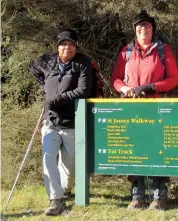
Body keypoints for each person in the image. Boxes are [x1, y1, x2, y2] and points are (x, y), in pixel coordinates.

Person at [110, 10, 178, 210]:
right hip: (132, 108)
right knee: (134, 148)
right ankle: (137, 194)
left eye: (147, 25)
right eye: (139, 26)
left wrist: (151, 87)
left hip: (157, 107)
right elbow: (115, 78)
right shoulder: (127, 51)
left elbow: (174, 79)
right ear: (135, 30)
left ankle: (159, 195)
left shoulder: (163, 50)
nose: (143, 29)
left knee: (158, 149)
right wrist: (124, 88)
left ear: (153, 29)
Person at [30, 28, 93, 216]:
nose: (67, 48)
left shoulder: (82, 63)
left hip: (72, 121)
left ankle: (65, 190)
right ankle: (55, 199)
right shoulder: (47, 61)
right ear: (58, 47)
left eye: (71, 44)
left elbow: (83, 91)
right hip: (50, 121)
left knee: (70, 164)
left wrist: (54, 98)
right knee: (48, 157)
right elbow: (33, 69)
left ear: (76, 47)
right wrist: (44, 87)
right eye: (63, 44)